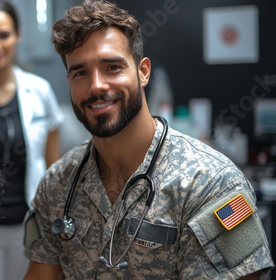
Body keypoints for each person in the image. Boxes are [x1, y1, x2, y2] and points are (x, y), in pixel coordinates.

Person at [23, 0, 274, 279]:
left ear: (143, 71)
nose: (96, 85)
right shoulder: (57, 184)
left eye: (112, 67)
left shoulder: (212, 183)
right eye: (80, 72)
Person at [0, 0, 64, 279]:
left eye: (4, 35)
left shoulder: (40, 91)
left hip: (30, 226)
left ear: (18, 35)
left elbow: (53, 168)